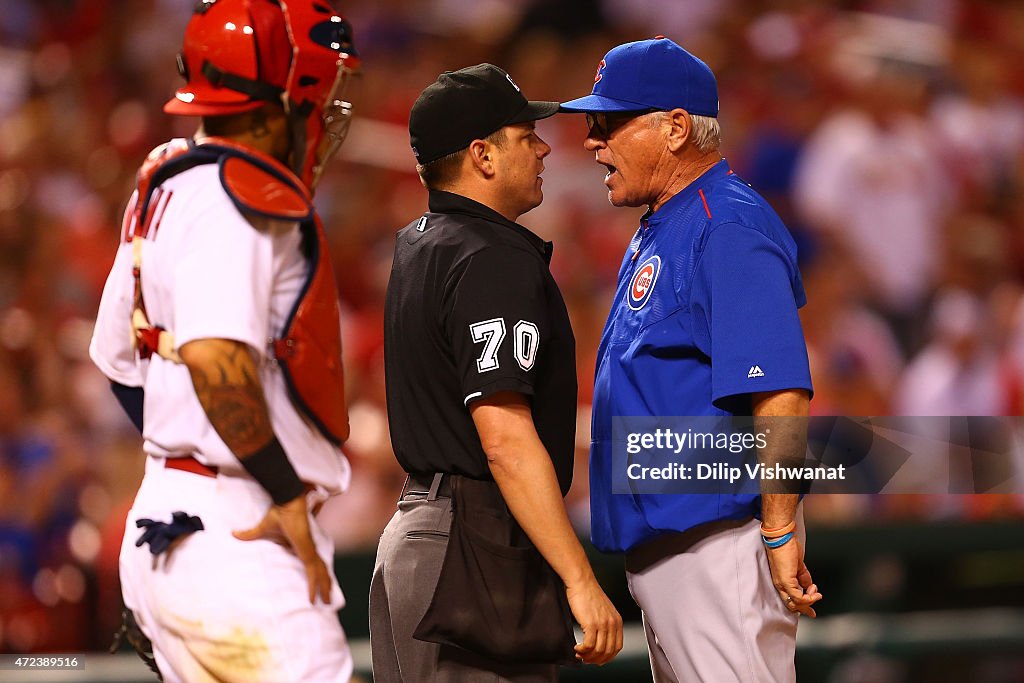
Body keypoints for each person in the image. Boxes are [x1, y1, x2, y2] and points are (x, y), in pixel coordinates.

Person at [89, 1, 358, 680]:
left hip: (177, 513)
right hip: (238, 528)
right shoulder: (240, 195)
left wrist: (177, 454)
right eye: (318, 94)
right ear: (278, 106)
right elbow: (213, 355)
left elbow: (120, 360)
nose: (325, 112)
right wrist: (279, 489)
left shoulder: (167, 181)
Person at [560, 38, 822, 682]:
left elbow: (780, 391)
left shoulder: (724, 225)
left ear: (676, 127)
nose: (593, 140)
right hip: (674, 549)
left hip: (718, 545)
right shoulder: (670, 221)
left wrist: (781, 526)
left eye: (610, 122)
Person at [371, 63, 622, 681]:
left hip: (419, 536)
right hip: (469, 548)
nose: (543, 147)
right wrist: (579, 577)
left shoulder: (420, 241)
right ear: (482, 156)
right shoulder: (492, 257)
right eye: (524, 135)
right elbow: (504, 438)